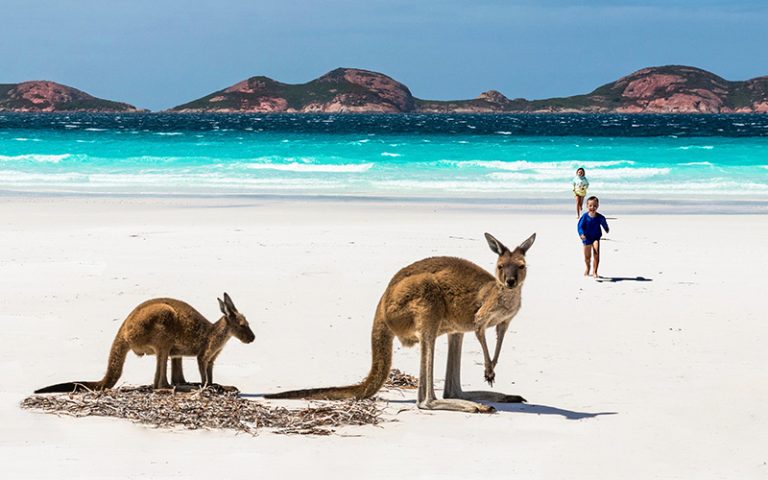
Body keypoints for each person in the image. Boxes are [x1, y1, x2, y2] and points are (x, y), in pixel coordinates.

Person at [578, 196, 609, 278]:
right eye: (590, 205)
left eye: (595, 206)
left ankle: (595, 271)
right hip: (586, 238)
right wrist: (581, 234)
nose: (592, 207)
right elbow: (579, 226)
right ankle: (588, 268)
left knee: (596, 253)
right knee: (587, 257)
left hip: (595, 238)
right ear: (587, 206)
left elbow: (603, 222)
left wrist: (606, 228)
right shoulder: (584, 217)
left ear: (597, 206)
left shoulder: (599, 217)